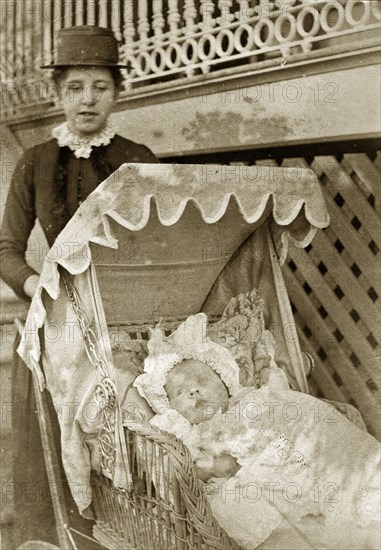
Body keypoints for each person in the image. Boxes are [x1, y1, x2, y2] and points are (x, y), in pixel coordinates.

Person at [0, 25, 158, 547]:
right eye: (74, 87)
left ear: (117, 92)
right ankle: (73, 534)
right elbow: (4, 247)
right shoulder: (35, 163)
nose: (87, 99)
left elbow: (160, 237)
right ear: (58, 94)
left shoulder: (138, 159)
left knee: (138, 436)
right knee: (68, 435)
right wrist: (35, 290)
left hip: (128, 316)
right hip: (60, 318)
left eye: (99, 86)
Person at [134, 312, 381, 549]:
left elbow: (294, 418)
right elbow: (183, 471)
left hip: (291, 462)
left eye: (203, 381)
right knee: (243, 508)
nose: (193, 391)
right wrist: (216, 466)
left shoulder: (255, 401)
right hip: (246, 483)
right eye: (180, 392)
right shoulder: (187, 434)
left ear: (226, 383)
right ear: (169, 406)